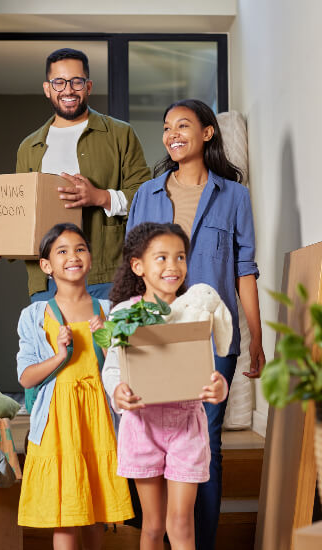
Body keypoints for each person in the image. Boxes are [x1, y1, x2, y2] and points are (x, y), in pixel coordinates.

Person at [126, 99, 265, 549]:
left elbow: (245, 269)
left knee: (203, 440)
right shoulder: (146, 194)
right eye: (166, 128)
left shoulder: (234, 196)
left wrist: (256, 337)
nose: (171, 134)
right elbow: (133, 271)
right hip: (154, 332)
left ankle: (196, 543)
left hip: (211, 333)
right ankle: (157, 535)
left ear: (207, 133)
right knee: (150, 437)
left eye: (182, 125)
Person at [0, 48, 151, 302]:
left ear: (88, 86)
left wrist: (100, 197)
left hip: (105, 278)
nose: (68, 90)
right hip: (47, 283)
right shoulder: (29, 147)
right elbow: (21, 216)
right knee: (53, 344)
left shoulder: (120, 134)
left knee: (109, 343)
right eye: (59, 82)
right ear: (47, 88)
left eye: (76, 81)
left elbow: (145, 198)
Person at [101, 222, 229, 550]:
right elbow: (113, 368)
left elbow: (208, 370)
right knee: (153, 525)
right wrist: (118, 391)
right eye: (161, 258)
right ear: (138, 266)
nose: (173, 266)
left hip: (186, 425)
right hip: (141, 426)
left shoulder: (195, 311)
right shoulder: (123, 314)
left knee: (181, 522)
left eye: (180, 257)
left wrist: (220, 387)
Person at [16, 223, 133, 550]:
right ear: (46, 266)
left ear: (91, 259)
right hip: (57, 422)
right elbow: (25, 377)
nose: (73, 256)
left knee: (97, 509)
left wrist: (106, 339)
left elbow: (126, 371)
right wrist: (59, 355)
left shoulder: (109, 310)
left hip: (97, 417)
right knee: (65, 511)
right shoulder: (35, 315)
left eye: (80, 248)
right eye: (62, 251)